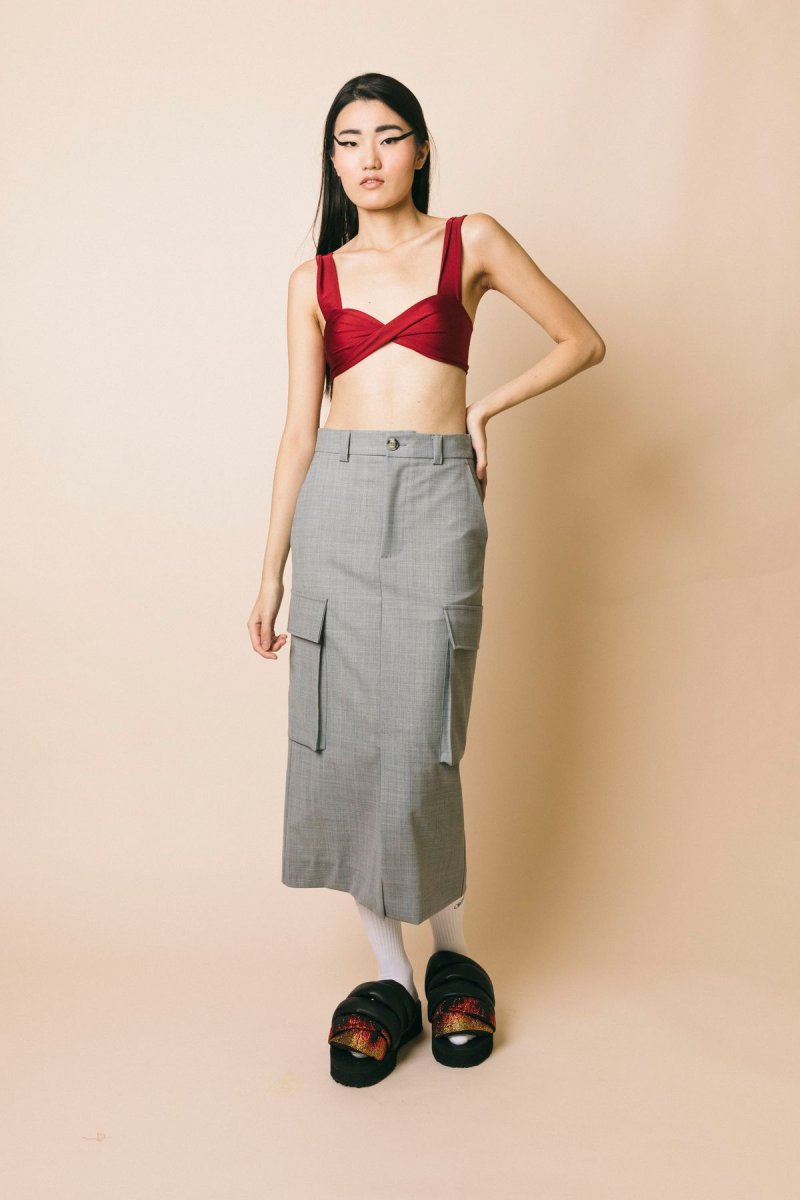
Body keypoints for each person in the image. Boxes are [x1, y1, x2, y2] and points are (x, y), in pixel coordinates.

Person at [247, 72, 605, 1087]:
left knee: (421, 743)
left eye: (388, 136)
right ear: (332, 161)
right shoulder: (312, 280)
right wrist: (269, 573)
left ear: (421, 150)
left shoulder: (470, 241)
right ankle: (389, 978)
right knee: (342, 747)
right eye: (347, 141)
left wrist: (483, 410)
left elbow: (583, 340)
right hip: (337, 505)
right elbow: (297, 433)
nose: (367, 158)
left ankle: (453, 960)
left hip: (439, 501)